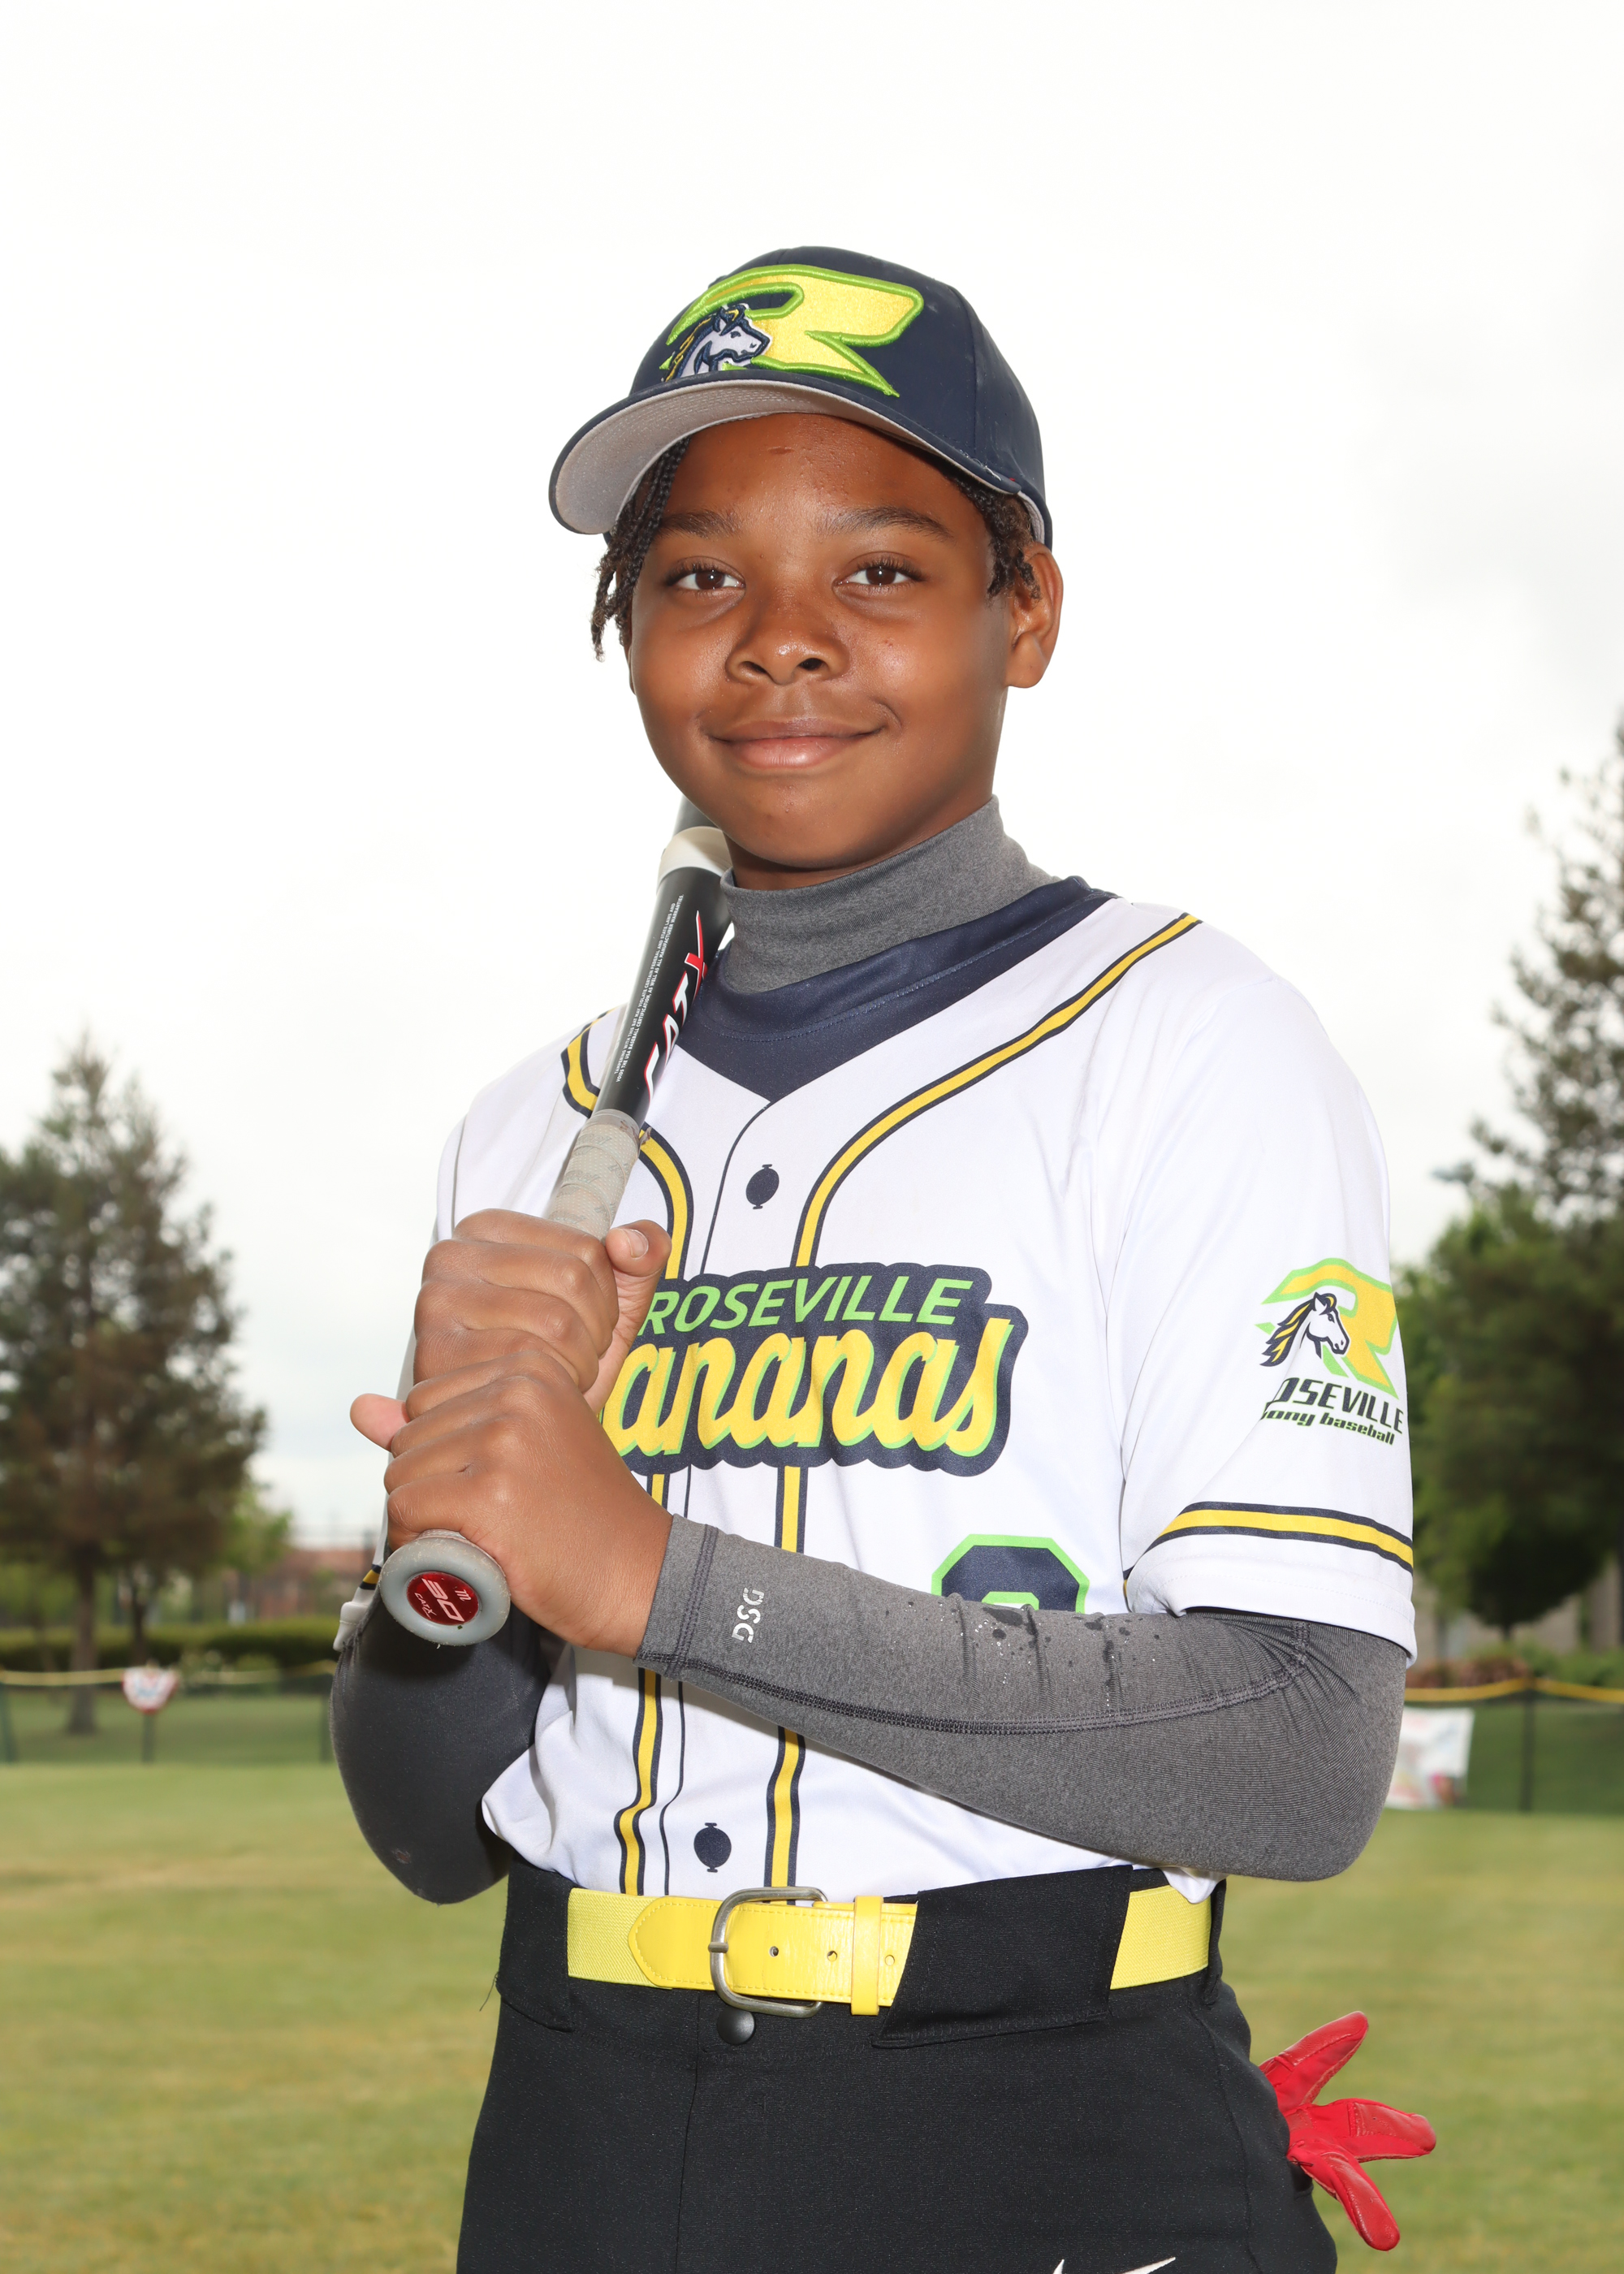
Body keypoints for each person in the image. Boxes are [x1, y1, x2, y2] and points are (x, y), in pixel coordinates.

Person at [333, 249, 1419, 2273]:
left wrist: (651, 1574)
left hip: (1036, 2114)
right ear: (627, 629)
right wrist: (452, 1548)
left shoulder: (1189, 1043)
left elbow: (1298, 1742)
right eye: (699, 574)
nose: (782, 638)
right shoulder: (530, 1131)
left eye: (882, 569)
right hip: (578, 2120)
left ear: (1028, 610)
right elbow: (426, 1826)